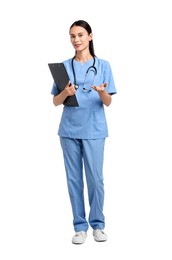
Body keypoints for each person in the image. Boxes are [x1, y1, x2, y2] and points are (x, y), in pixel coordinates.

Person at [51, 20, 117, 244]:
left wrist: (101, 92)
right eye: (72, 36)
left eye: (80, 35)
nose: (76, 40)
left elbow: (108, 102)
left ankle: (98, 225)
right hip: (69, 130)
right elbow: (56, 101)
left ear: (90, 36)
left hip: (94, 129)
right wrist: (66, 92)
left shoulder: (104, 65)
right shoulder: (64, 66)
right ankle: (80, 227)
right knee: (74, 180)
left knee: (95, 179)